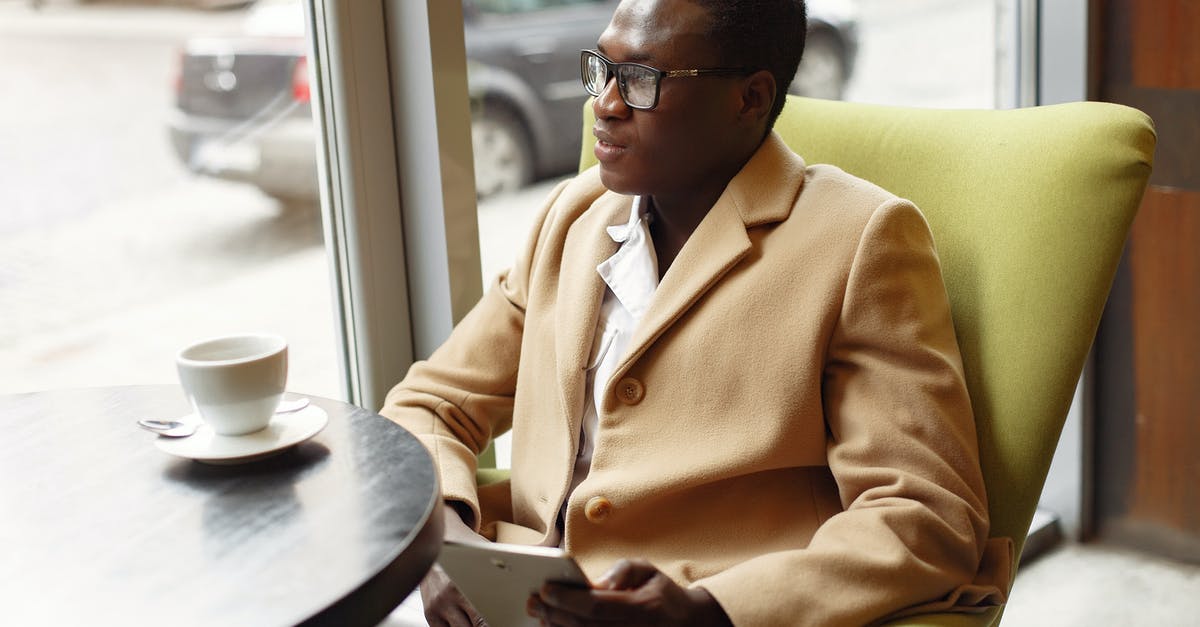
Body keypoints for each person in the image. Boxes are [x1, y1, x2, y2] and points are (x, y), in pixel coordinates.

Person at [381, 0, 1012, 625]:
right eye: (602, 66)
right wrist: (448, 546)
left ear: (750, 99)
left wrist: (710, 612)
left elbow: (927, 516)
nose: (604, 103)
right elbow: (430, 404)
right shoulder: (571, 217)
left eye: (641, 81)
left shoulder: (859, 241)